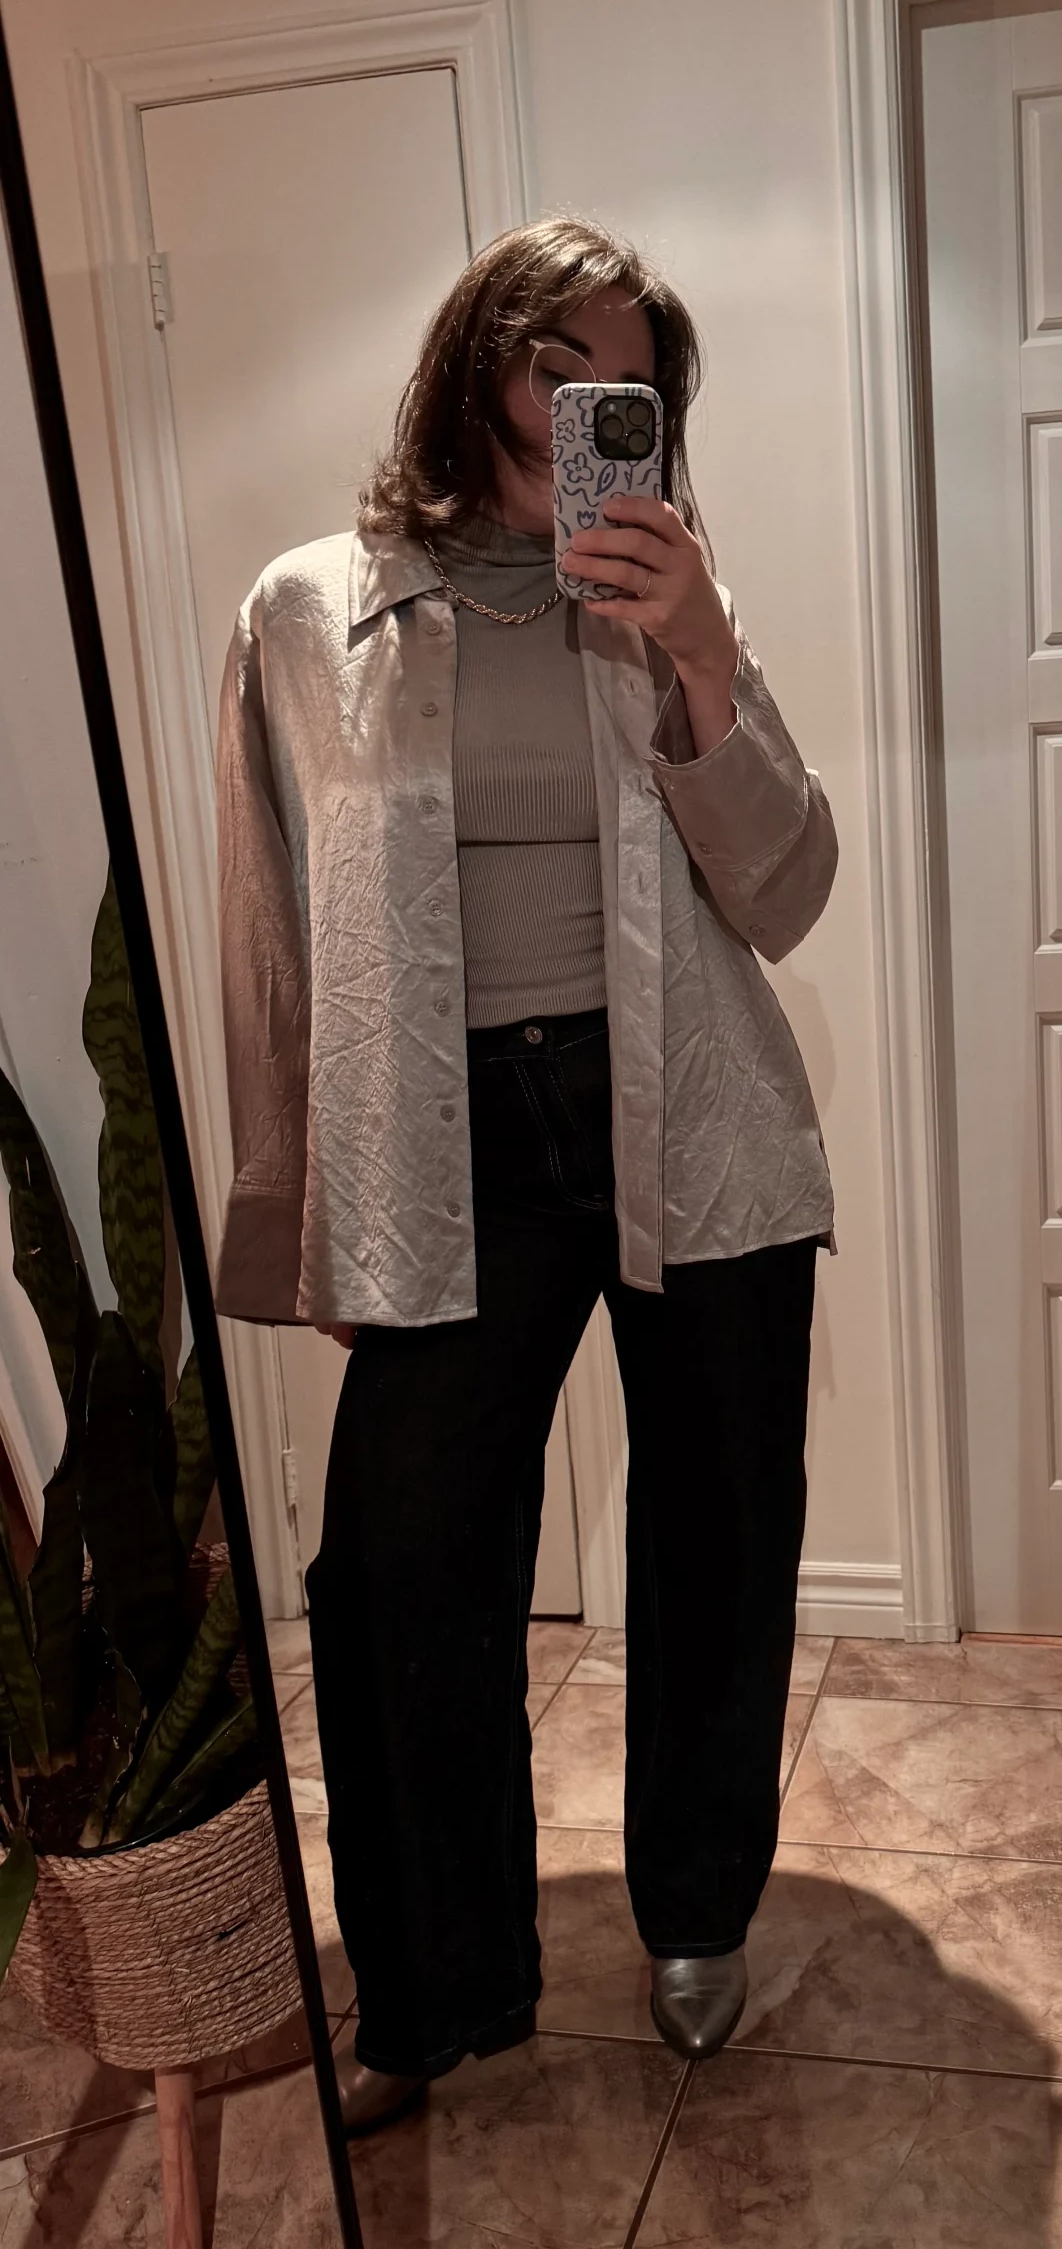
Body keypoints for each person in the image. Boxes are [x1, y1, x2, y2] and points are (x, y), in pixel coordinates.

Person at [213, 215, 837, 2135]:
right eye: (556, 362)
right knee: (395, 1563)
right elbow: (277, 936)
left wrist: (704, 651)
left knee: (720, 1532)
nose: (585, 403)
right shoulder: (309, 610)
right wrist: (309, 1213)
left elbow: (790, 891)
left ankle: (698, 1911)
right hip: (443, 1144)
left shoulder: (664, 595)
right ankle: (431, 1983)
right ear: (470, 361)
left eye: (625, 381)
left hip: (691, 1123)